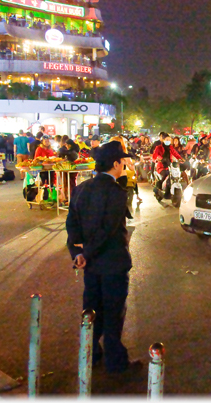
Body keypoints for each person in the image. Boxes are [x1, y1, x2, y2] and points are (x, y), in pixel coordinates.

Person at [66, 142, 142, 375]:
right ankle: (116, 363)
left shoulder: (82, 188)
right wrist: (86, 253)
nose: (125, 165)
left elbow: (72, 225)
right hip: (112, 263)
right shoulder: (117, 192)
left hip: (90, 266)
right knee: (112, 313)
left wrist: (78, 253)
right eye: (123, 161)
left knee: (91, 310)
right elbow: (108, 230)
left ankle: (91, 354)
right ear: (115, 164)